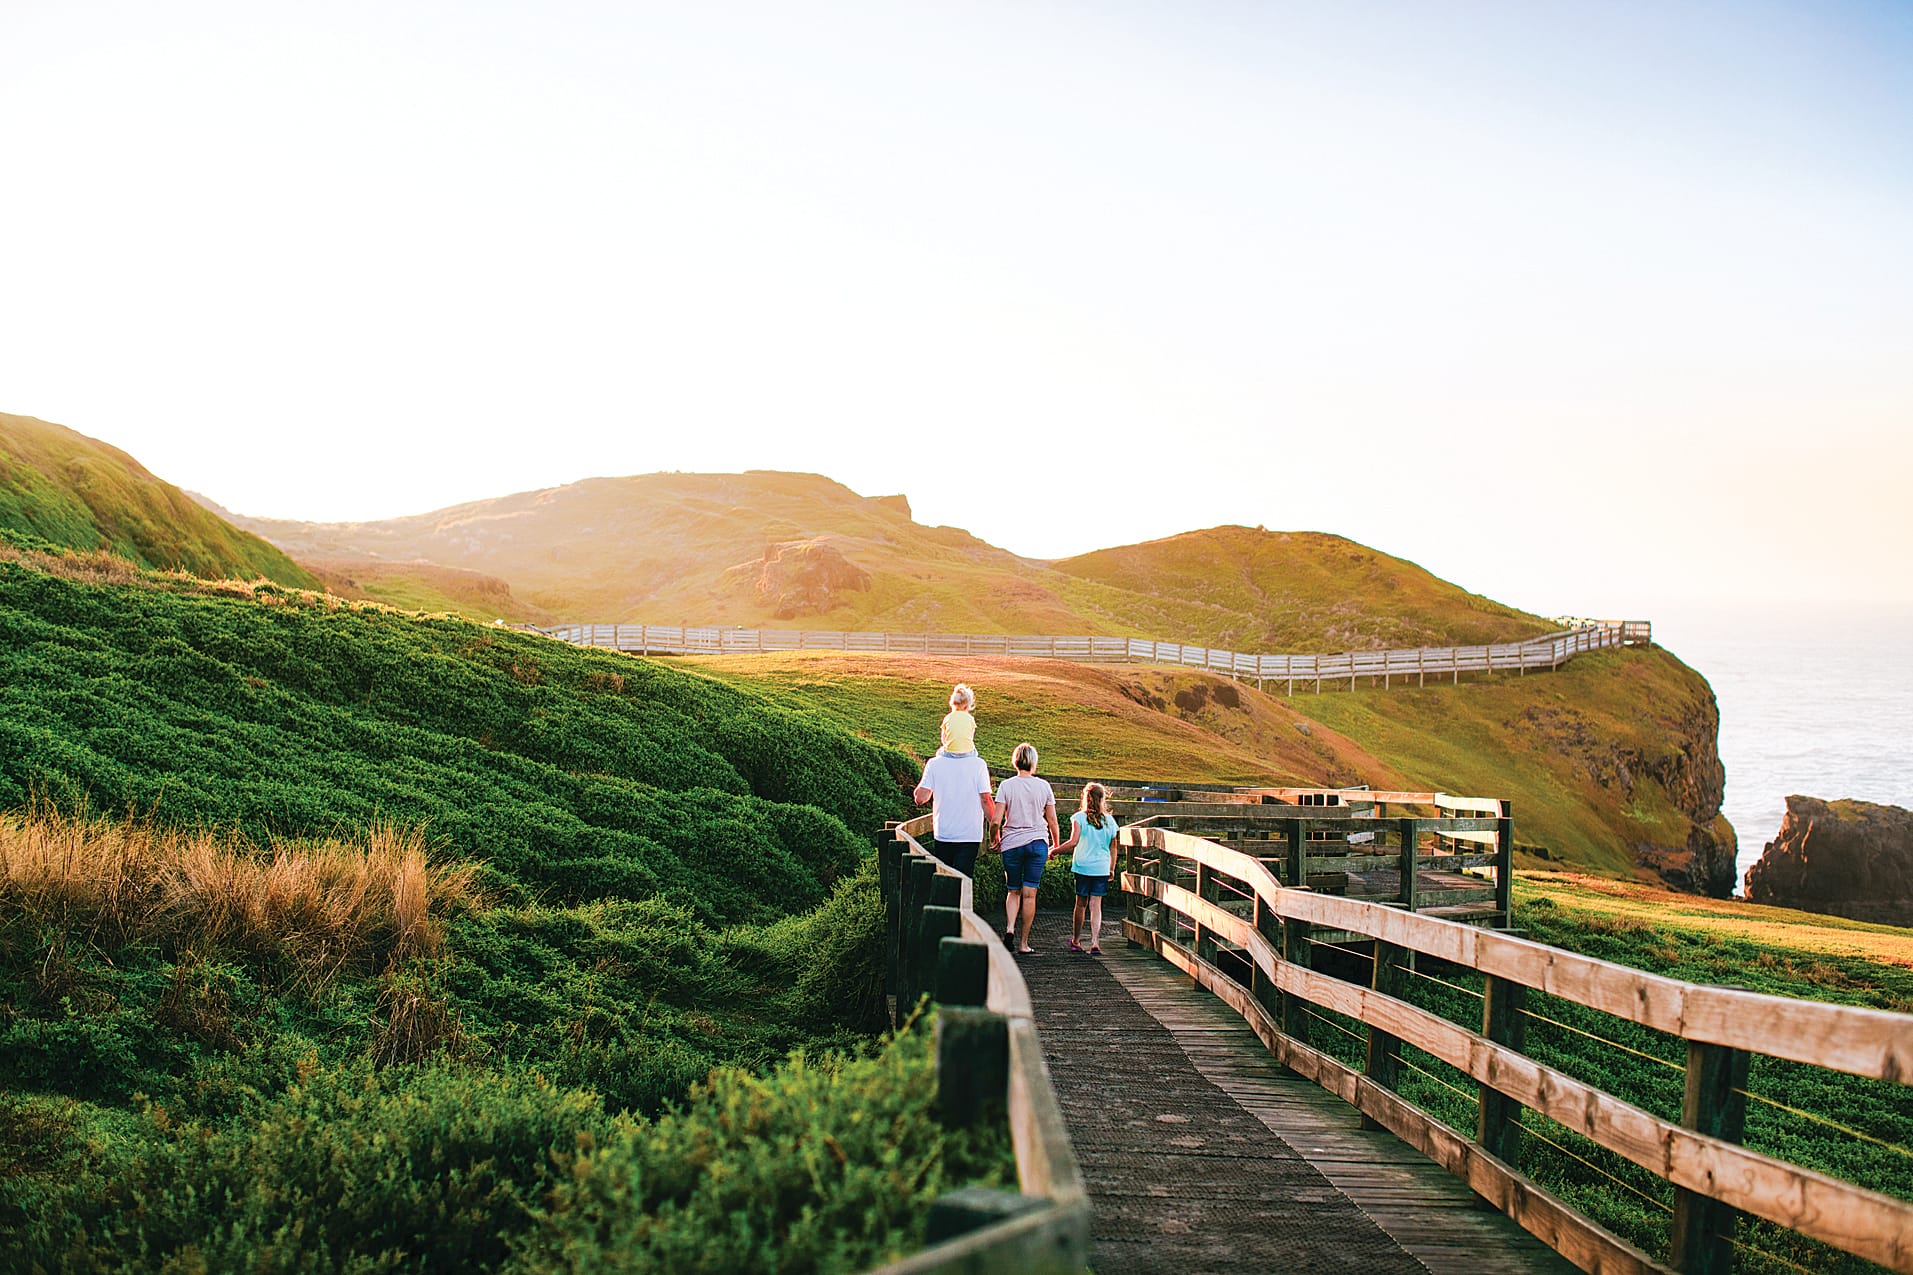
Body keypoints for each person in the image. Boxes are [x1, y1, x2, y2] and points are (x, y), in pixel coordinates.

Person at [992, 742, 1058, 955]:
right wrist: (1055, 845)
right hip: (1037, 842)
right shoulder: (1043, 786)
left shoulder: (1006, 786)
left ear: (1015, 761)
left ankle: (1010, 928)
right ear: (1034, 762)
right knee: (1030, 894)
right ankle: (1023, 943)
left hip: (1012, 843)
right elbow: (1053, 821)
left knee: (1013, 890)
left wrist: (995, 837)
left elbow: (995, 819)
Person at [1054, 781, 1120, 955]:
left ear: (1085, 797)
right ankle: (1095, 942)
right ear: (1102, 799)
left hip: (1083, 866)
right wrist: (1111, 867)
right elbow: (1114, 846)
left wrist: (1055, 850)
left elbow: (1073, 842)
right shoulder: (1110, 821)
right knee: (1096, 905)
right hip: (1101, 867)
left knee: (1081, 904)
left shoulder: (1079, 818)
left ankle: (1076, 940)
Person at [912, 742, 993, 879]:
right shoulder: (979, 765)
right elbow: (986, 799)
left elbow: (921, 798)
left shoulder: (934, 764)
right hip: (970, 834)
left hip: (944, 833)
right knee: (963, 880)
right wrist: (995, 829)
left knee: (944, 879)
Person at [940, 683, 977, 756]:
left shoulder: (948, 718)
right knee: (975, 752)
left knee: (939, 752)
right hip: (968, 752)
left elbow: (943, 738)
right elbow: (971, 736)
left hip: (950, 752)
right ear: (967, 706)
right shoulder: (970, 719)